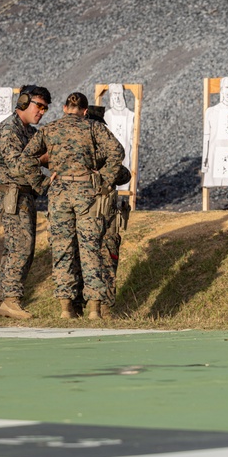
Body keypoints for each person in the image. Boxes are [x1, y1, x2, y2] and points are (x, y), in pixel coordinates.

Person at [22, 92, 124, 320]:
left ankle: (65, 309)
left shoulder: (50, 129)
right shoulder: (93, 128)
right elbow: (117, 152)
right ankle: (94, 310)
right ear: (86, 111)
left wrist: (42, 183)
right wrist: (103, 179)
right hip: (87, 193)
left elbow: (26, 158)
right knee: (91, 249)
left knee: (62, 250)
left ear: (64, 107)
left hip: (59, 194)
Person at [0, 85, 52, 320]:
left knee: (18, 247)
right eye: (39, 106)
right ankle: (10, 300)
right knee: (21, 247)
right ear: (24, 102)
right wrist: (43, 164)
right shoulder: (9, 130)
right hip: (12, 194)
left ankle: (7, 300)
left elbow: (44, 155)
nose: (42, 112)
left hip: (23, 194)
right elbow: (18, 165)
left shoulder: (29, 132)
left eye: (45, 108)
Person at [87, 105, 133, 310]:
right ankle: (103, 306)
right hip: (103, 213)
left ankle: (85, 305)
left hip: (89, 212)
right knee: (106, 257)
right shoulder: (104, 147)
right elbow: (123, 174)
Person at [202, 77, 228, 187]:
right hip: (216, 154)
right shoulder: (211, 111)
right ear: (221, 89)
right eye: (227, 88)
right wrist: (205, 162)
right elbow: (206, 138)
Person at [103, 84, 135, 192]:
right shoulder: (106, 115)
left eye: (118, 94)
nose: (116, 98)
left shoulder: (130, 115)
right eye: (114, 94)